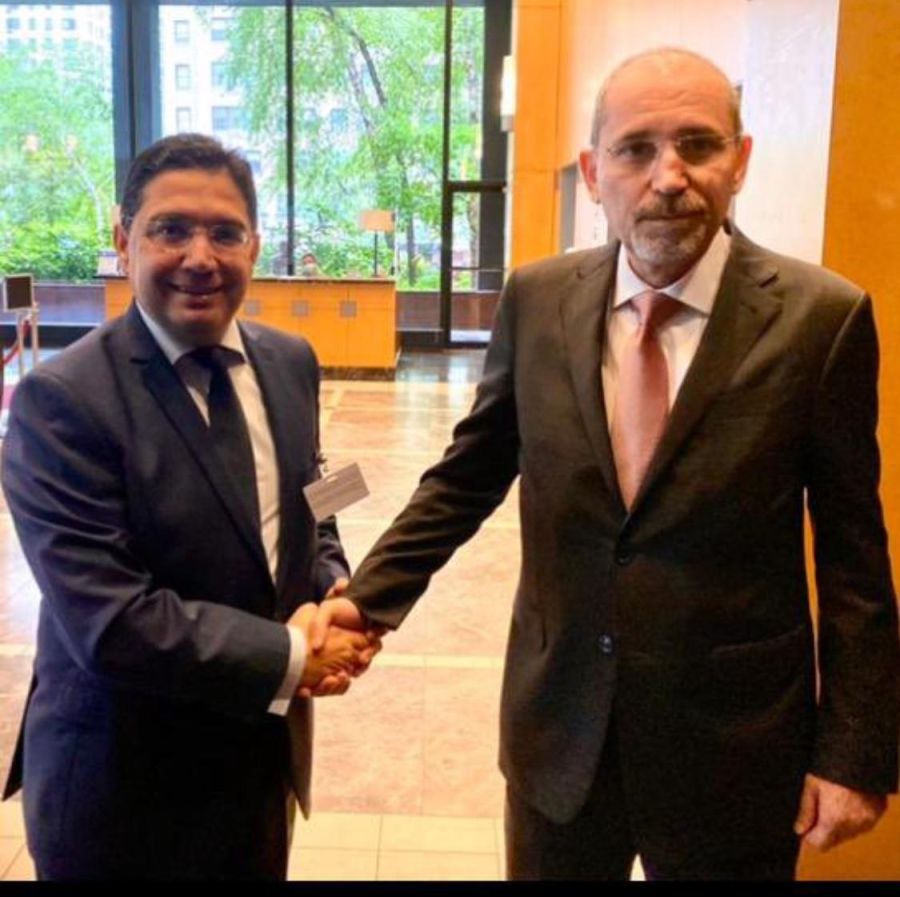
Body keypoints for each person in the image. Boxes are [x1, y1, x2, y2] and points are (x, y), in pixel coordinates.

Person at [308, 48, 900, 880]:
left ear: (740, 162)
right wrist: (367, 600)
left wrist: (854, 751)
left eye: (698, 145)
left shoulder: (821, 319)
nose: (669, 176)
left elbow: (853, 558)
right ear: (594, 173)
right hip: (560, 731)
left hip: (734, 747)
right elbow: (468, 474)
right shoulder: (538, 299)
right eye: (635, 149)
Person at [1, 133, 380, 880]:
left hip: (259, 767)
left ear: (254, 245)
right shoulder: (62, 402)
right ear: (124, 241)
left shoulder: (291, 362)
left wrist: (334, 582)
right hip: (124, 792)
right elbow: (112, 621)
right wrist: (296, 656)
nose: (200, 257)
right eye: (170, 229)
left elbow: (314, 493)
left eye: (225, 233)